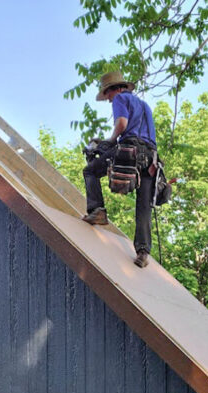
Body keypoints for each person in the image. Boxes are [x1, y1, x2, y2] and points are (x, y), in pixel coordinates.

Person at [82, 70, 157, 268]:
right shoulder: (144, 105)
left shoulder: (119, 99)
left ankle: (97, 210)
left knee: (90, 170)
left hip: (129, 149)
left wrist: (109, 141)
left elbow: (122, 124)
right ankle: (142, 253)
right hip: (151, 158)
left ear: (112, 90)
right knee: (143, 205)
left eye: (106, 95)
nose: (107, 100)